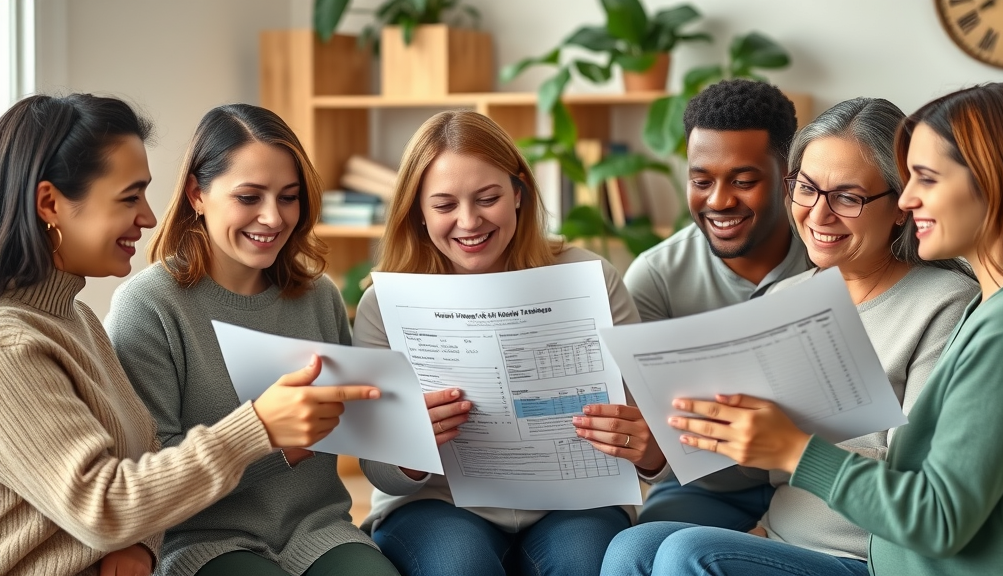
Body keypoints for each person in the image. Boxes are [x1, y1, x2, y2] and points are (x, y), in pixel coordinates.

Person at [627, 82, 1003, 575]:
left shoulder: (953, 306)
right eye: (807, 188)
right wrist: (670, 445)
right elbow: (753, 467)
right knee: (635, 547)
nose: (817, 214)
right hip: (782, 535)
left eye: (848, 197)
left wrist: (792, 444)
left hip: (865, 554)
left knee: (686, 554)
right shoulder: (787, 298)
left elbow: (924, 489)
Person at [0, 94, 380, 576]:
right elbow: (105, 504)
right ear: (50, 203)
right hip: (201, 544)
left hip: (308, 531)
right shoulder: (15, 345)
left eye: (289, 196)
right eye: (129, 196)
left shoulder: (74, 320)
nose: (149, 216)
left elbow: (141, 467)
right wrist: (261, 429)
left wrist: (140, 545)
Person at [352, 110, 662, 576]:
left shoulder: (592, 278)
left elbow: (651, 443)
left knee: (584, 564)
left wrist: (647, 447)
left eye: (487, 198)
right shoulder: (385, 303)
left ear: (519, 193)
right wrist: (412, 448)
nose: (468, 221)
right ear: (417, 209)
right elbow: (380, 470)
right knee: (459, 568)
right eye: (443, 205)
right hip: (439, 502)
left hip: (574, 498)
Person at [104, 104, 399, 576]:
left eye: (288, 196)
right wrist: (275, 446)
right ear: (197, 194)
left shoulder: (319, 296)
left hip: (320, 530)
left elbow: (361, 430)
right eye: (249, 197)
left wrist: (408, 428)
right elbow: (149, 470)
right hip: (203, 540)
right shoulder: (148, 306)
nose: (272, 217)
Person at [625, 79, 810, 528]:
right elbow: (649, 440)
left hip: (812, 483)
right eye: (701, 181)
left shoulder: (830, 253)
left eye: (744, 181)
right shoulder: (654, 278)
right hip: (707, 489)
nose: (719, 201)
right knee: (635, 552)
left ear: (789, 175)